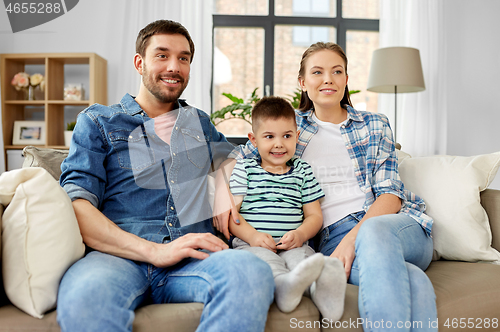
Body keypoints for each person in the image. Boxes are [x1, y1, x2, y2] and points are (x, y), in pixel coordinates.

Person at [56, 20, 274, 332]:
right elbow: (78, 205)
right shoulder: (99, 121)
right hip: (118, 259)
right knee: (85, 295)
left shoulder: (198, 122)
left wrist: (224, 189)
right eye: (162, 55)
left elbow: (232, 155)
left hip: (194, 259)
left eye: (183, 58)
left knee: (251, 271)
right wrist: (156, 251)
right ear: (139, 62)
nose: (174, 66)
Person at [215, 42, 437, 331]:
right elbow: (236, 158)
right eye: (317, 72)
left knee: (374, 234)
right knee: (413, 280)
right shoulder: (290, 128)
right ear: (303, 83)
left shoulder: (375, 124)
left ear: (346, 80)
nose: (328, 79)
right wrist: (221, 192)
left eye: (337, 71)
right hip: (332, 237)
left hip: (392, 225)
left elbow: (390, 195)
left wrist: (352, 241)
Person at [228, 96, 346, 321]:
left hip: (293, 244)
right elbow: (232, 215)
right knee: (267, 263)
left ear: (297, 137)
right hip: (254, 244)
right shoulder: (246, 169)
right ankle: (284, 287)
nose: (279, 144)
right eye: (269, 137)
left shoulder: (303, 171)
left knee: (303, 262)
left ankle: (321, 292)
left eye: (287, 136)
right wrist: (252, 236)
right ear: (254, 140)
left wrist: (301, 234)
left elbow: (314, 215)